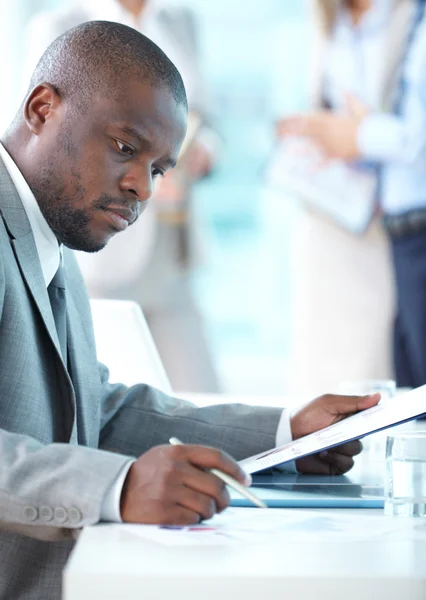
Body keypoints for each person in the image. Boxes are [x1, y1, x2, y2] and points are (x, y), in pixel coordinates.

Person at [0, 21, 380, 600]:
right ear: (42, 108)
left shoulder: (53, 236)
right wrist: (117, 486)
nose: (143, 188)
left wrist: (286, 432)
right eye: (126, 148)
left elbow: (91, 411)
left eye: (158, 169)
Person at [23, 0, 222, 393]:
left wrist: (203, 152)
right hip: (102, 248)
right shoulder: (61, 24)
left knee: (199, 387)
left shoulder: (180, 20)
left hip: (169, 244)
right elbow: (43, 138)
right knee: (102, 392)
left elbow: (203, 118)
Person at [280, 0, 426, 390]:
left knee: (382, 361)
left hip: (392, 220)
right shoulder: (324, 22)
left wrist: (359, 137)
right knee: (329, 357)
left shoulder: (408, 17)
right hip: (336, 211)